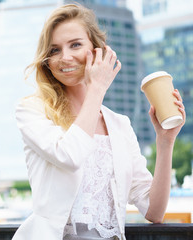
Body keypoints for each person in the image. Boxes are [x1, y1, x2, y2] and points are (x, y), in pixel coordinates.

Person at [13, 3, 185, 240]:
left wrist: (165, 142)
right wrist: (97, 88)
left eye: (75, 44)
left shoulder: (120, 124)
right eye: (54, 50)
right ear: (46, 60)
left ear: (96, 50)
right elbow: (70, 155)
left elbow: (154, 211)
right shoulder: (32, 110)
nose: (65, 57)